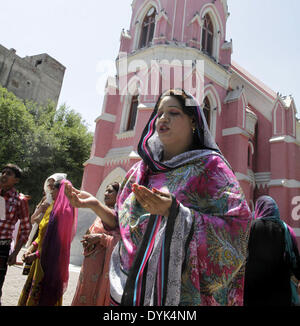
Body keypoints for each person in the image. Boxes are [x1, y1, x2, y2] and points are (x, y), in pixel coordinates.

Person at [65, 89, 251, 306]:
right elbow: (123, 226)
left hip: (183, 298)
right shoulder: (141, 171)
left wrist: (176, 214)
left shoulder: (211, 168)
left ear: (193, 121)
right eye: (160, 112)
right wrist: (95, 205)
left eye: (173, 112)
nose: (163, 118)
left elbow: (238, 228)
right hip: (131, 292)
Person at [18, 178, 77, 306]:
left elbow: (58, 244)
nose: (50, 192)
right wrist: (31, 248)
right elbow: (41, 233)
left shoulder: (65, 213)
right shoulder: (52, 208)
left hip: (51, 262)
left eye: (54, 189)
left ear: (61, 191)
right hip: (39, 259)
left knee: (44, 296)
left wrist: (36, 254)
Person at [244, 195, 300, 306]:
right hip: (280, 289)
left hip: (253, 289)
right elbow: (294, 258)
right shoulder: (286, 229)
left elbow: (241, 254)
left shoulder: (251, 227)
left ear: (258, 209)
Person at [71, 182, 120, 306]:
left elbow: (121, 242)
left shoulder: (118, 216)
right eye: (105, 190)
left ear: (119, 195)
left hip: (101, 272)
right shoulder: (101, 214)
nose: (105, 194)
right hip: (89, 268)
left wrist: (100, 238)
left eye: (110, 191)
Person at [0, 164, 31, 305]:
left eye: (9, 174)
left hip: (2, 248)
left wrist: (15, 253)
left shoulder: (19, 200)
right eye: (3, 172)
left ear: (16, 180)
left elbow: (26, 229)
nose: (4, 175)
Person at [25, 173, 67, 248]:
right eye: (49, 185)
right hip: (39, 232)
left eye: (53, 186)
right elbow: (33, 219)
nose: (50, 189)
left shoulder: (65, 203)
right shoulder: (46, 198)